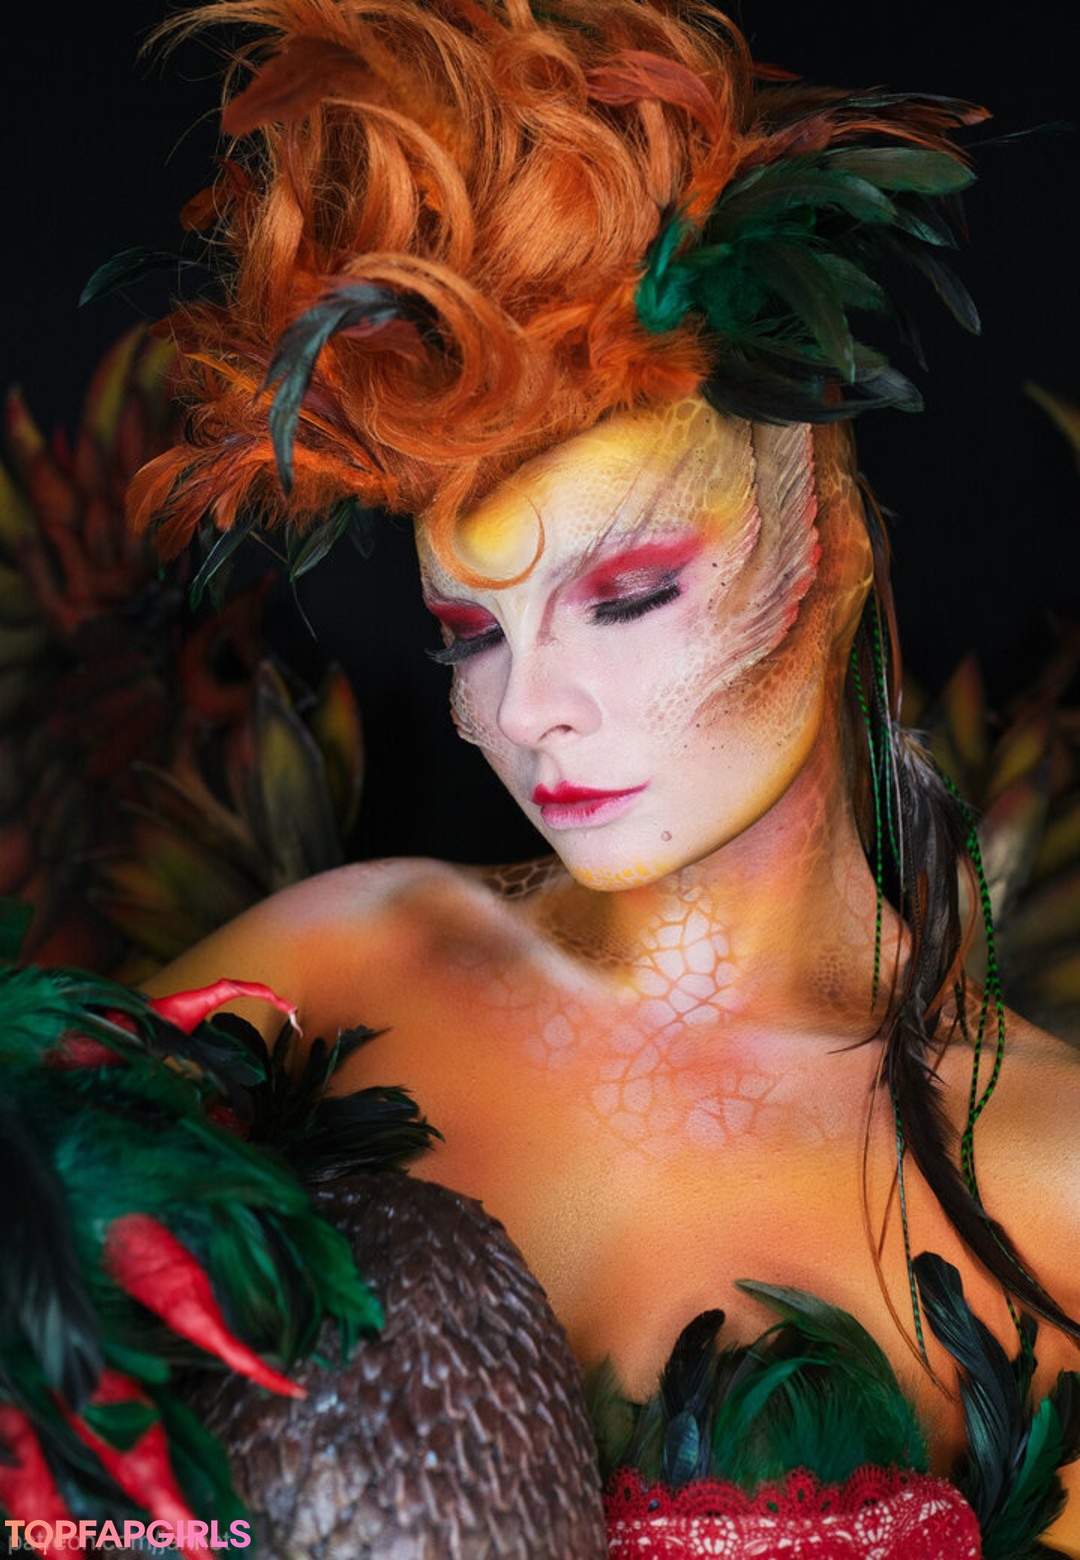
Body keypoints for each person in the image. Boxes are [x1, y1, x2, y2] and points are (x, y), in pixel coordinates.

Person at [134, 0, 1080, 1548]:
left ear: (829, 541)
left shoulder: (1050, 1173)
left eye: (628, 595)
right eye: (470, 634)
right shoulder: (336, 969)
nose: (529, 711)